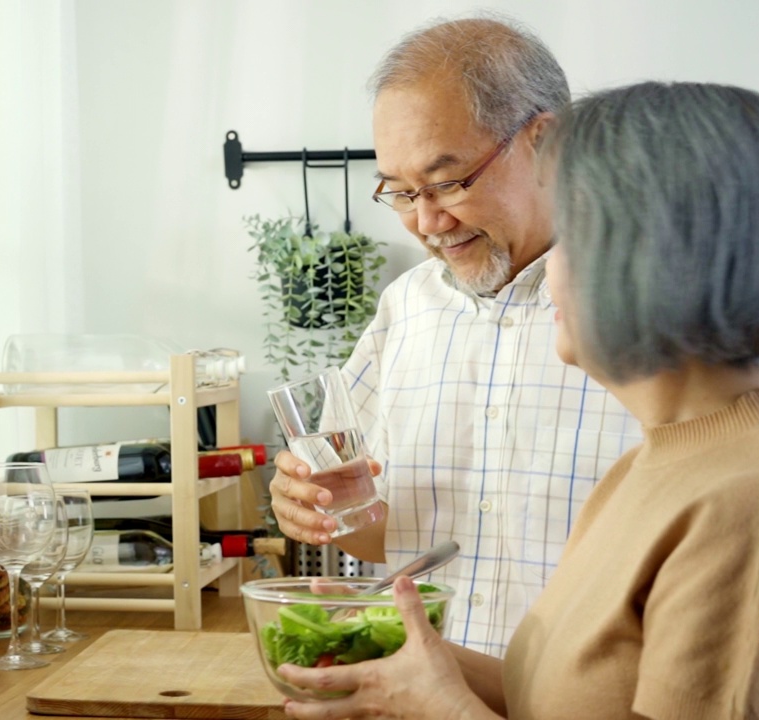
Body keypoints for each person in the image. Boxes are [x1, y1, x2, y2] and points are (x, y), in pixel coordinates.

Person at [278, 80, 759, 720]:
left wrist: (442, 708)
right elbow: (570, 694)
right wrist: (407, 652)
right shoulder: (663, 460)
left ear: (658, 256)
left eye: (573, 236)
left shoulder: (749, 504)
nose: (547, 269)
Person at [269, 15, 637, 655]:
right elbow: (376, 533)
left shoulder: (659, 308)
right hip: (427, 690)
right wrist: (329, 509)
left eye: (445, 182)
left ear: (545, 141)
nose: (426, 222)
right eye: (402, 192)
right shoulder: (406, 310)